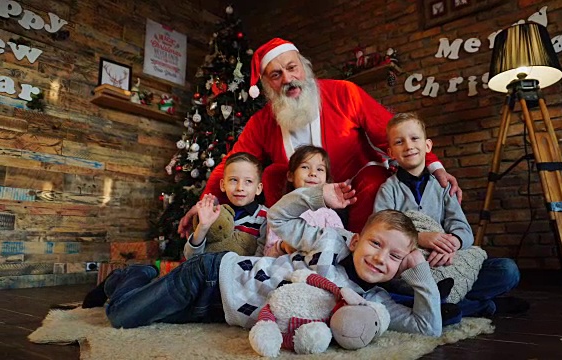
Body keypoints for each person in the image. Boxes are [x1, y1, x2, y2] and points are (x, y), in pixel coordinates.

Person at [178, 37, 461, 236]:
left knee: (376, 177)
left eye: (292, 68)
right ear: (267, 85)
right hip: (300, 195)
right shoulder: (262, 121)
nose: (288, 79)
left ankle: (358, 253)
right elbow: (233, 163)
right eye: (276, 75)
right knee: (272, 174)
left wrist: (435, 167)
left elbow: (394, 133)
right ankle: (284, 250)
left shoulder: (343, 92)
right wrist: (207, 201)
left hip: (353, 185)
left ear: (304, 66)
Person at [83, 183, 443, 337]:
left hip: (219, 313)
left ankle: (140, 282)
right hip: (212, 276)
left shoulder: (373, 303)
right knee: (119, 317)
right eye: (376, 244)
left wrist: (420, 270)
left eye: (395, 256)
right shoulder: (330, 241)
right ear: (357, 238)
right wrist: (319, 195)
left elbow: (429, 329)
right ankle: (132, 273)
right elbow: (280, 219)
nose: (381, 258)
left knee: (140, 315)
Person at [374, 112, 529, 317]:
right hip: (414, 267)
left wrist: (453, 244)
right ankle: (481, 306)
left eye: (414, 138)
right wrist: (420, 238)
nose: (408, 146)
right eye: (399, 142)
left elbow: (462, 228)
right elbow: (380, 231)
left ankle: (445, 305)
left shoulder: (442, 186)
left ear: (427, 146)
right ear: (391, 152)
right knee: (392, 285)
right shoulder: (388, 189)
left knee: (507, 270)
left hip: (448, 261)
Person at [263, 145, 344, 257]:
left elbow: (340, 247)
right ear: (291, 176)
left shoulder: (329, 215)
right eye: (305, 167)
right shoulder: (280, 212)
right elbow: (267, 255)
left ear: (327, 179)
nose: (313, 173)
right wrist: (283, 246)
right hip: (285, 268)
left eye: (320, 169)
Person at [183, 152, 267, 258]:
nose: (240, 187)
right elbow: (190, 257)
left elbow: (262, 259)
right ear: (223, 185)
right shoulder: (215, 213)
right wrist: (203, 227)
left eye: (248, 181)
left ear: (258, 188)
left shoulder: (266, 218)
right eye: (233, 180)